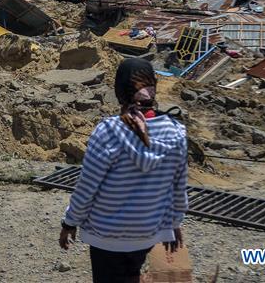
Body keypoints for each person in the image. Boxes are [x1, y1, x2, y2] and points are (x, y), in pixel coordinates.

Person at [58, 58, 188, 283]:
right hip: (148, 231)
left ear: (120, 91)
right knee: (131, 273)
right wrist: (174, 224)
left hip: (106, 235)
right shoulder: (176, 132)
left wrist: (69, 222)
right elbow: (178, 188)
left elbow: (87, 188)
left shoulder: (108, 131)